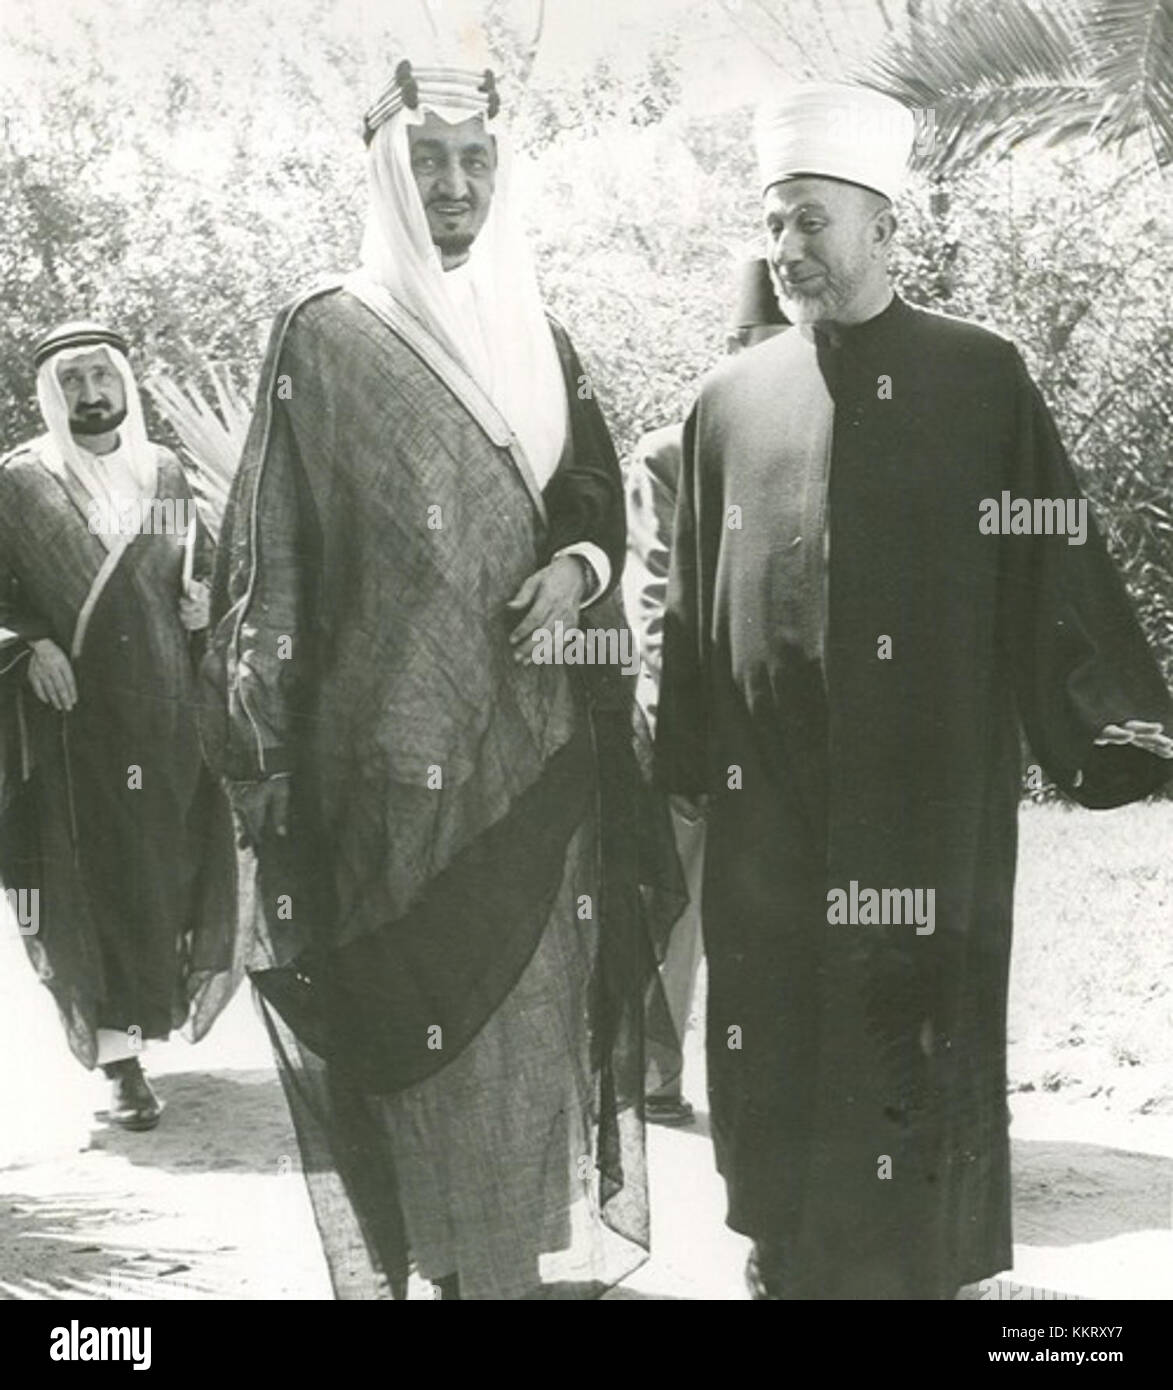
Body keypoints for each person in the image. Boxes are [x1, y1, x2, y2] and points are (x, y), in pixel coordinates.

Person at [655, 83, 1173, 1300]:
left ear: (886, 229)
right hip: (771, 806)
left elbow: (1054, 558)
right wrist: (678, 753)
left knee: (913, 1023)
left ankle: (926, 1272)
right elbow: (689, 606)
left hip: (929, 794)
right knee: (774, 1025)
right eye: (773, 223)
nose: (787, 249)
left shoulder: (981, 375)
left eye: (814, 223)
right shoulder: (723, 404)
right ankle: (780, 1256)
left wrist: (1119, 727)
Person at [202, 57, 667, 1300]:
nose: (454, 185)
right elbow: (276, 556)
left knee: (521, 1044)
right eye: (428, 161)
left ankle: (502, 1274)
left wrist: (576, 565)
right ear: (387, 177)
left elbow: (591, 499)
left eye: (475, 160)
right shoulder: (326, 332)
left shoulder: (541, 329)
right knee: (420, 1033)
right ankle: (439, 1277)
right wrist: (266, 762)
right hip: (386, 774)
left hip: (539, 757)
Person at [0, 320, 239, 1130]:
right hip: (75, 725)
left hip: (166, 717)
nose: (91, 396)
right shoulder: (21, 482)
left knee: (160, 879)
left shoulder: (165, 474)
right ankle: (121, 1063)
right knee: (90, 884)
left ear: (125, 386)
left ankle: (144, 1029)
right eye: (72, 383)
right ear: (51, 394)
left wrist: (198, 607)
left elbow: (183, 577)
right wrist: (30, 645)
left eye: (102, 378)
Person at [629, 258, 787, 1127]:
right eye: (756, 349)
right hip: (692, 712)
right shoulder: (668, 452)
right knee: (673, 899)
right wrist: (670, 714)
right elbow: (651, 591)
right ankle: (652, 1073)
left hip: (793, 720)